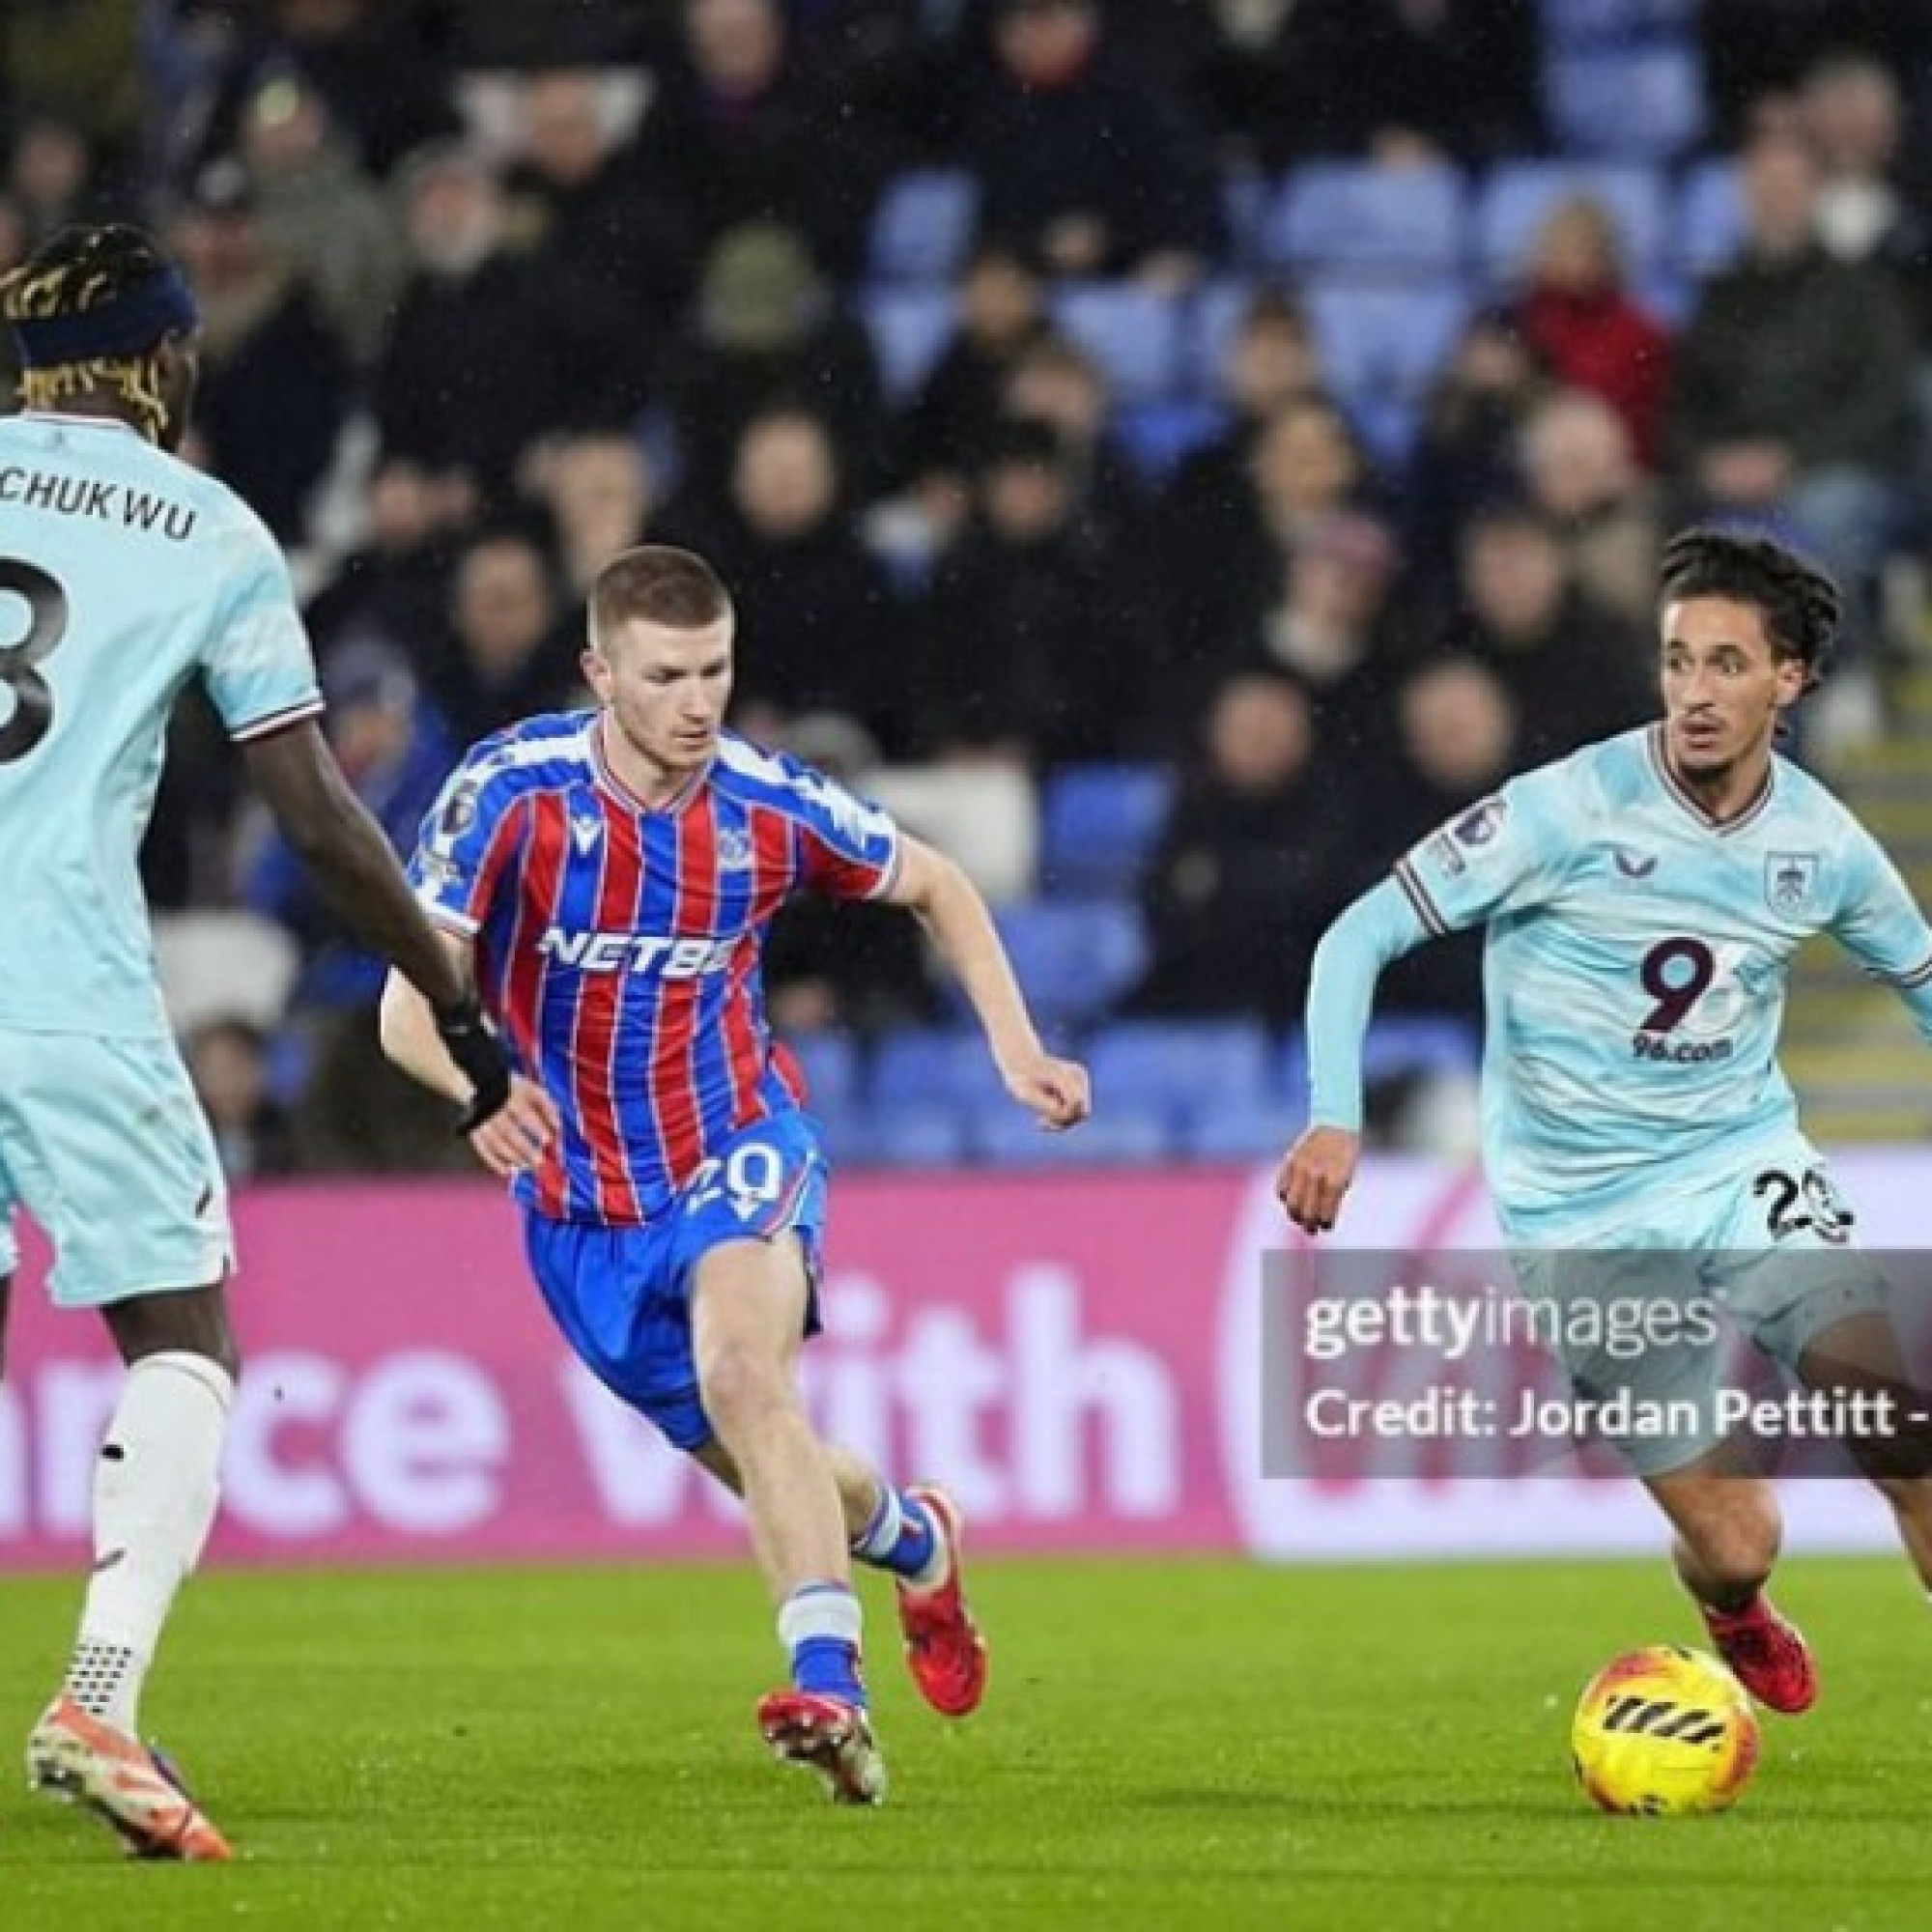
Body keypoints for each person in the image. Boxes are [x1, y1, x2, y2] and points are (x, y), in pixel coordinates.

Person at [379, 543, 1090, 1805]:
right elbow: (402, 1006)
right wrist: (479, 1089)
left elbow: (937, 882)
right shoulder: (509, 794)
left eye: (715, 669)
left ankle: (830, 1685)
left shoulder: (765, 800)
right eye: (665, 676)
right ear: (601, 671)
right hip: (582, 1208)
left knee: (744, 1368)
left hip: (737, 1139)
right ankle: (918, 1541)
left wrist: (1018, 1050)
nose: (698, 702)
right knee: (783, 1456)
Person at [0, 222, 517, 1861]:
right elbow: (313, 811)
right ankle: (97, 1694)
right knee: (184, 1334)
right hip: (51, 984)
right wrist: (448, 991)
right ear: (163, 363)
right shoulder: (208, 528)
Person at [1279, 528, 1932, 1719]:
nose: (1693, 691)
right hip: (1580, 1214)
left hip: (1742, 1165)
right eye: (1678, 661)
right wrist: (1333, 1119)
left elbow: (1921, 977)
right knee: (1739, 1536)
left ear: (1788, 680)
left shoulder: (1822, 842)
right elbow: (1355, 934)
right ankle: (1730, 1607)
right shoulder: (1563, 807)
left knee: (1900, 1433)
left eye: (1726, 664)